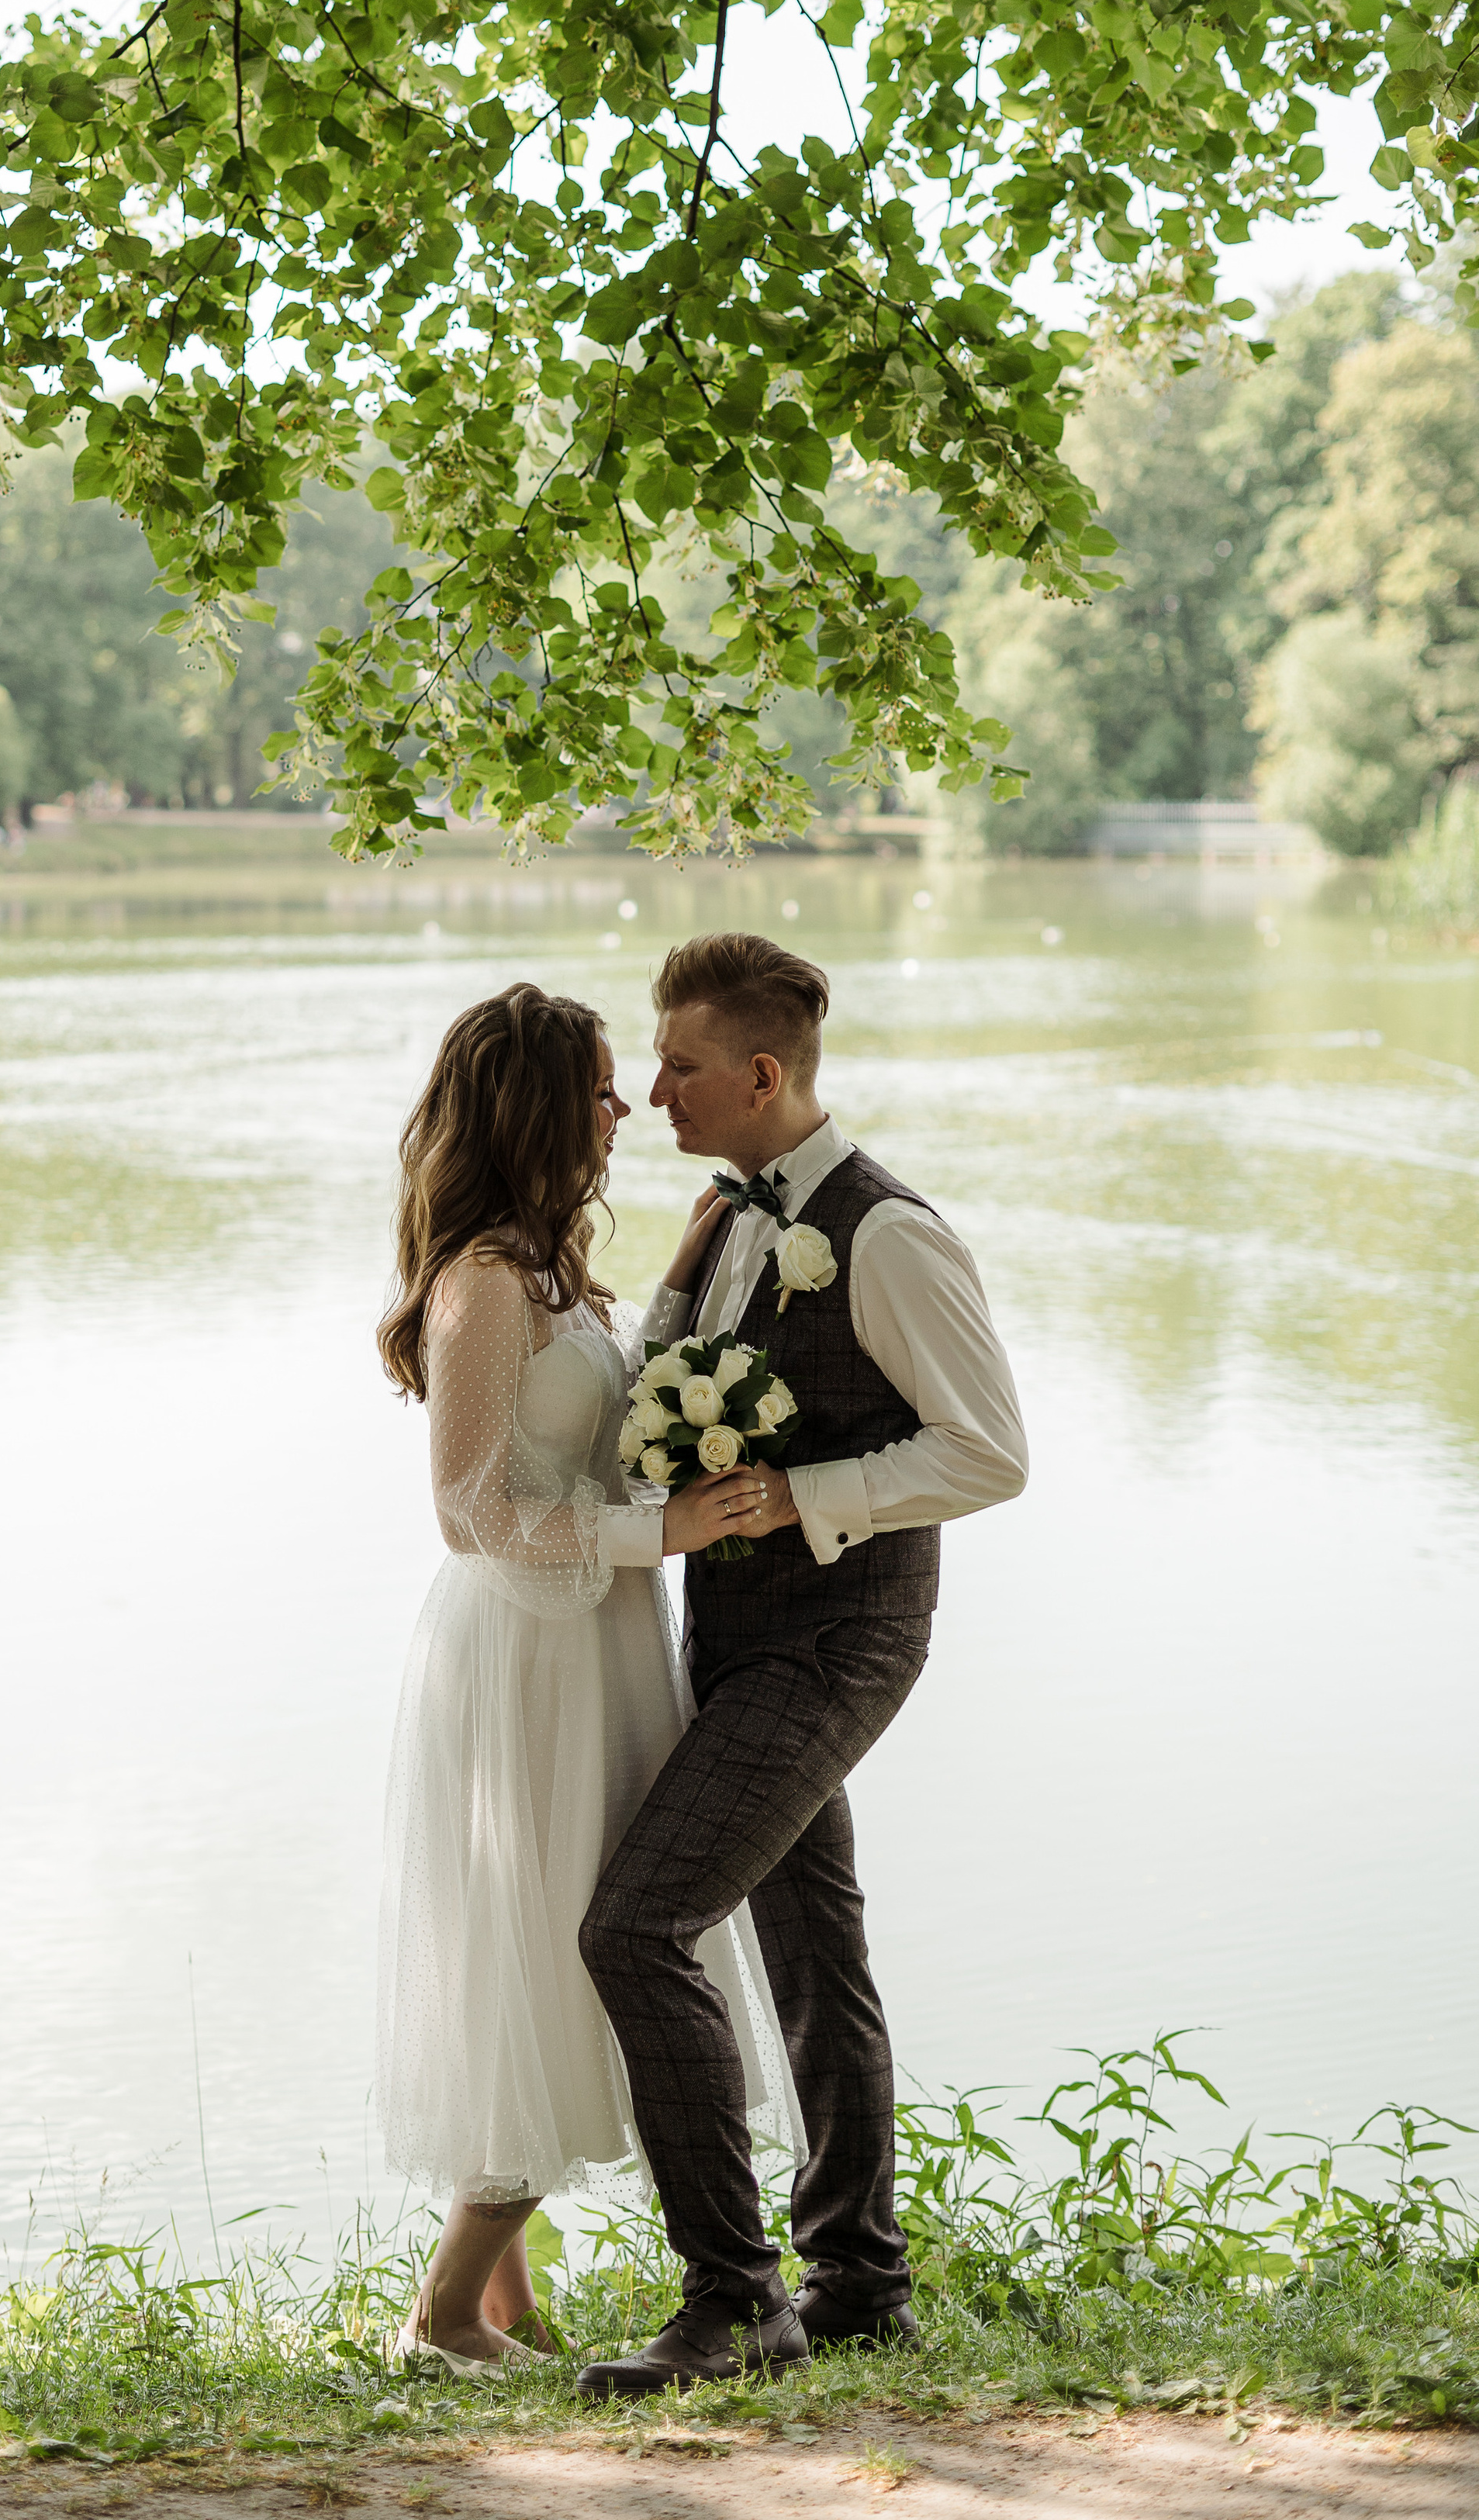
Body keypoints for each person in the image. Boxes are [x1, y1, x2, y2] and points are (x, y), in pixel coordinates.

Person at [575, 932, 1028, 2397]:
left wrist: (799, 1497)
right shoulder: (726, 1218)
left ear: (763, 1074)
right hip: (734, 1634)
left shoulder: (887, 1235)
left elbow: (990, 1453)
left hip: (842, 1640)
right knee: (814, 1953)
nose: (655, 1092)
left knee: (636, 1928)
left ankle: (734, 2299)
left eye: (681, 1066)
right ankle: (860, 2285)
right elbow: (668, 1390)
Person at [375, 982, 803, 2376]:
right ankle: (446, 2314)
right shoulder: (483, 1284)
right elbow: (469, 1509)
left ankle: (500, 2309)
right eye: (603, 1088)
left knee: (566, 1943)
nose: (625, 1109)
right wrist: (655, 1533)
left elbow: (594, 1432)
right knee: (559, 1953)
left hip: (598, 1640)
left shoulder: (558, 1270)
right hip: (526, 1658)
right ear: (540, 1109)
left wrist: (686, 1291)